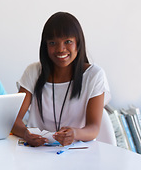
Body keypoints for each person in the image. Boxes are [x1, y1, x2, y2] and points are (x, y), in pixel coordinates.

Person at [11, 12, 111, 147]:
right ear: (45, 46)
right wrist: (26, 133)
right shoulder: (33, 72)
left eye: (68, 41)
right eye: (52, 43)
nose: (60, 49)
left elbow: (93, 128)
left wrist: (75, 133)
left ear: (78, 43)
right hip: (37, 152)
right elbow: (12, 120)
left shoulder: (94, 75)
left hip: (78, 152)